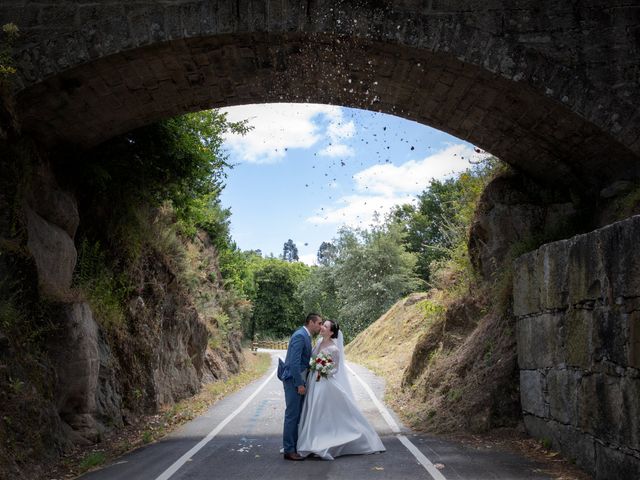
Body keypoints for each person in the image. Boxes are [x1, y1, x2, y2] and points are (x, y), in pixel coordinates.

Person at [296, 319, 386, 460]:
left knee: (319, 411)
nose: (322, 327)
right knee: (311, 409)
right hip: (313, 381)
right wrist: (314, 365)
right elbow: (312, 359)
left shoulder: (334, 349)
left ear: (331, 332)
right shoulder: (319, 342)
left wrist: (322, 368)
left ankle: (321, 442)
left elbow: (335, 369)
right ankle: (311, 440)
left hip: (324, 383)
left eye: (325, 326)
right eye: (322, 325)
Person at [278, 313, 323, 461]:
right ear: (311, 322)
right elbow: (294, 363)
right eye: (319, 323)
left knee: (297, 415)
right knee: (292, 415)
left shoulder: (306, 335)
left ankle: (294, 446)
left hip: (299, 379)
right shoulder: (300, 336)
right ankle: (289, 450)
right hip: (293, 380)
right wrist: (299, 384)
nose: (320, 326)